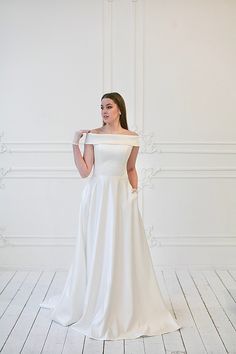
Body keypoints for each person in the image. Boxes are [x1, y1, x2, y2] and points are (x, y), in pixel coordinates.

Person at [40, 92, 181, 340]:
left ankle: (121, 301)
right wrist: (75, 143)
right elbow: (85, 172)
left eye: (108, 106)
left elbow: (130, 168)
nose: (104, 111)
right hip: (97, 197)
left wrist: (134, 193)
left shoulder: (132, 138)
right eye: (101, 107)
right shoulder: (93, 136)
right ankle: (95, 298)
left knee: (123, 248)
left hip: (122, 198)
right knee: (97, 247)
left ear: (119, 110)